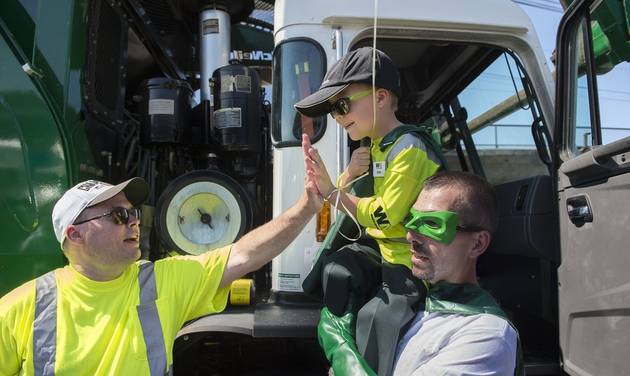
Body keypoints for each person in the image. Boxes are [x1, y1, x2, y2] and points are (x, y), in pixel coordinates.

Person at [0, 171, 322, 375]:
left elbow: (244, 254)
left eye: (135, 213)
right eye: (119, 215)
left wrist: (307, 207)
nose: (134, 222)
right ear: (75, 235)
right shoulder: (22, 307)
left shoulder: (160, 282)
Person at [296, 47, 444, 374]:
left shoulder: (409, 149)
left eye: (342, 105)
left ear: (379, 97)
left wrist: (333, 190)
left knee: (377, 318)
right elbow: (353, 198)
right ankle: (340, 345)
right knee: (335, 271)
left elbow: (382, 215)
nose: (336, 117)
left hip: (415, 264)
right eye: (333, 111)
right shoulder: (376, 147)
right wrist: (345, 177)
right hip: (386, 254)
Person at [317, 171, 521, 376]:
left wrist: (340, 349)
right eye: (411, 220)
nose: (410, 236)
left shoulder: (488, 334)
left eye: (432, 224)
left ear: (478, 243)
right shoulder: (414, 304)